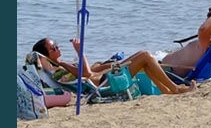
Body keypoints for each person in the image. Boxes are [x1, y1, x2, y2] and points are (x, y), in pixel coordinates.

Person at [33, 37, 193, 96]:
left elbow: (90, 70)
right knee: (145, 56)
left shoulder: (60, 67)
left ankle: (166, 90)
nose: (58, 49)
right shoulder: (59, 70)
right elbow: (87, 74)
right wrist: (80, 52)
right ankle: (175, 88)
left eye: (57, 45)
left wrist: (109, 64)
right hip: (106, 83)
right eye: (54, 48)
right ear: (47, 55)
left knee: (144, 57)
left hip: (106, 76)